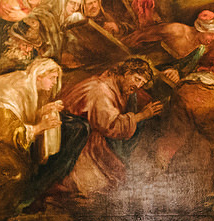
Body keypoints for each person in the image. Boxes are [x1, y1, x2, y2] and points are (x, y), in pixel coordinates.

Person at [0, 59, 86, 221]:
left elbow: (22, 116)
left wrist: (43, 110)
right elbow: (9, 131)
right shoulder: (15, 91)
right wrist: (40, 127)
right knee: (16, 172)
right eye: (51, 78)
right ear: (39, 76)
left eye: (55, 79)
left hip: (1, 133)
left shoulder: (29, 86)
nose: (54, 82)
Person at [56, 56, 163, 199]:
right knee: (99, 183)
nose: (138, 86)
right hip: (73, 138)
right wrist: (142, 115)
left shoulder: (115, 86)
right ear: (126, 73)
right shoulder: (101, 90)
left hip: (89, 137)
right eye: (137, 79)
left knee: (118, 174)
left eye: (142, 83)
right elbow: (110, 126)